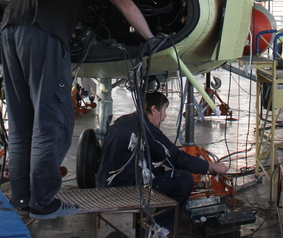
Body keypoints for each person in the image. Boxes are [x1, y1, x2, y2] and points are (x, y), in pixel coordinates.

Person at [0, 0, 153, 219]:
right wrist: (151, 38)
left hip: (9, 26)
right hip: (44, 29)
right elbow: (124, 2)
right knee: (50, 122)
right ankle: (43, 202)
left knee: (21, 124)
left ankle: (21, 199)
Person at [97, 91, 228, 233]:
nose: (165, 115)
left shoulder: (123, 122)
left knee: (159, 172)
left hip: (104, 185)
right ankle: (159, 229)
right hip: (126, 189)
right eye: (164, 109)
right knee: (183, 179)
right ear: (154, 109)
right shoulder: (146, 128)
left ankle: (149, 226)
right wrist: (211, 167)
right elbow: (176, 158)